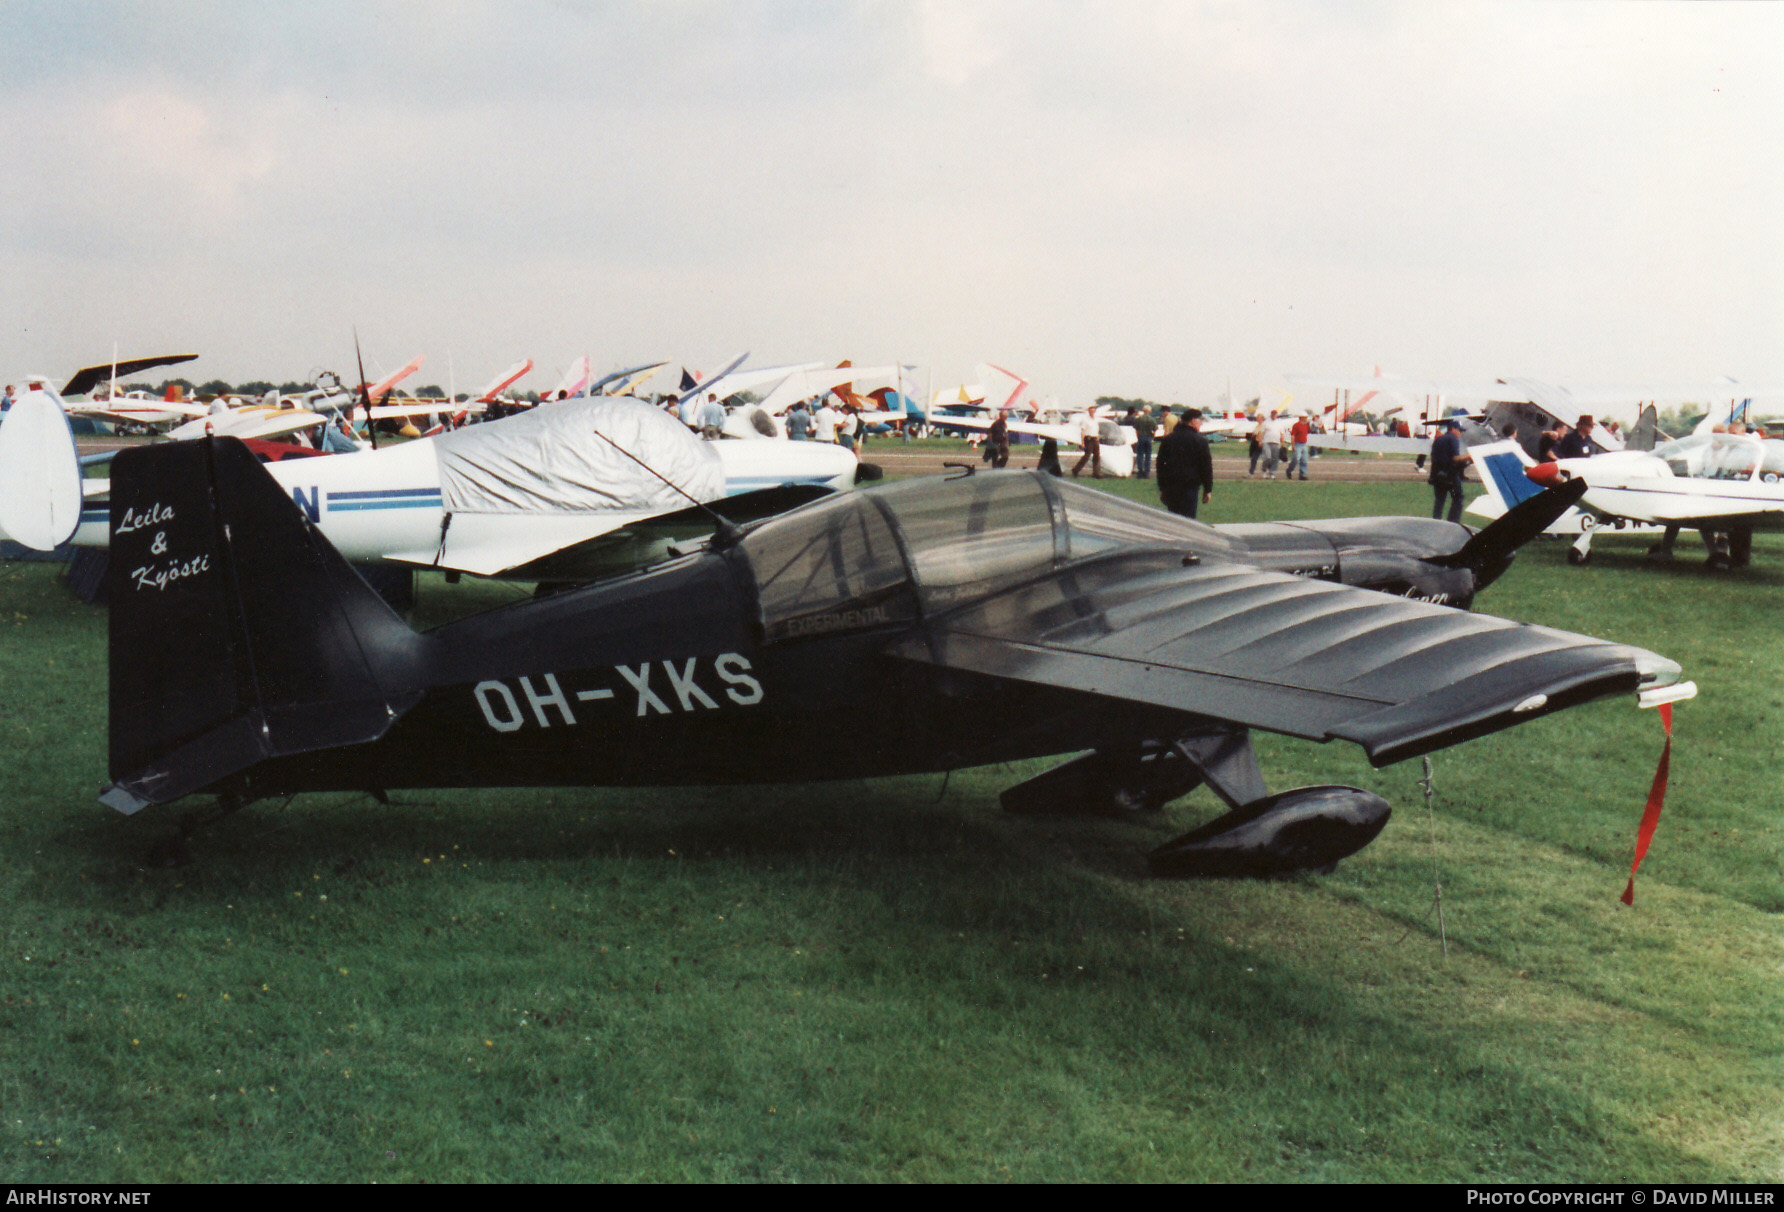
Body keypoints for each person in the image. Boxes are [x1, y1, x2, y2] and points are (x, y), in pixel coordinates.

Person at [1156, 407, 1214, 518]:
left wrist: (1162, 488)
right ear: (1192, 421)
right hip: (1190, 488)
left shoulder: (1168, 440)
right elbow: (1206, 467)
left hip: (1171, 487)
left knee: (1173, 519)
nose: (1201, 423)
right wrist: (1207, 489)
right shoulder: (1200, 441)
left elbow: (1160, 465)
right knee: (1188, 521)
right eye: (1199, 420)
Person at [1429, 417, 1472, 523]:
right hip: (1450, 476)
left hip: (1437, 474)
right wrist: (1469, 456)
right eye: (1459, 430)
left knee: (1440, 501)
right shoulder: (1453, 439)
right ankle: (1452, 522)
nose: (1460, 433)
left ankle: (1435, 523)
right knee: (1458, 498)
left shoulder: (1438, 439)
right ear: (1453, 429)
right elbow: (1455, 458)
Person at [1071, 409, 1101, 477]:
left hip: (1095, 439)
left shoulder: (1096, 420)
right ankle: (1076, 470)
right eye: (1091, 411)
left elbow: (1096, 430)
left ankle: (1096, 473)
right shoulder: (1085, 420)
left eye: (1093, 411)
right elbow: (1082, 431)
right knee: (1087, 456)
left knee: (1097, 456)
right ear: (1089, 412)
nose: (1092, 412)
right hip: (1089, 439)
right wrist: (1082, 442)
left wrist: (1097, 437)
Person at [1127, 407, 1155, 479]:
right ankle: (1147, 473)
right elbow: (1155, 429)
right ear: (1150, 411)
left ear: (1143, 411)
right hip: (1149, 438)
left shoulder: (1139, 419)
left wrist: (1138, 436)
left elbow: (1136, 429)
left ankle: (1140, 472)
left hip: (1141, 437)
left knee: (1140, 455)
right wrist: (1152, 437)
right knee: (1148, 456)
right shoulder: (1152, 419)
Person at [1290, 413, 1311, 480]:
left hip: (1304, 444)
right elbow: (1293, 435)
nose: (1306, 419)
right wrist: (1293, 445)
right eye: (1305, 417)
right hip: (1298, 444)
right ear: (1301, 417)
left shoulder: (1306, 426)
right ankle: (1289, 470)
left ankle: (1302, 475)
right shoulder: (1296, 425)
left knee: (1304, 460)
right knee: (1296, 459)